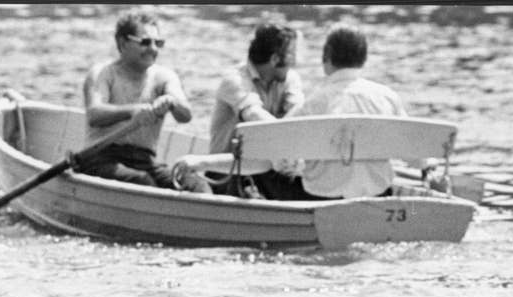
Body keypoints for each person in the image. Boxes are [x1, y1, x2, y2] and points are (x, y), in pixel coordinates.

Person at [174, 26, 408, 201]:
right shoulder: (388, 96)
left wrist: (293, 139)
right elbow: (258, 117)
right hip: (379, 194)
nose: (297, 62)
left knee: (274, 159)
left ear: (326, 57)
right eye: (293, 55)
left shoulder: (312, 97)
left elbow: (275, 140)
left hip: (318, 196)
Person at [75, 10, 212, 194]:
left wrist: (171, 101)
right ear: (122, 43)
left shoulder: (164, 77)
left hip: (144, 160)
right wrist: (133, 111)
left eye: (159, 43)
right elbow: (95, 114)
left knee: (196, 185)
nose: (153, 49)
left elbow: (185, 115)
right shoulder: (103, 73)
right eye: (145, 42)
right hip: (100, 157)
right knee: (141, 181)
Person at [205, 22, 304, 197]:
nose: (295, 62)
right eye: (291, 55)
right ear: (274, 59)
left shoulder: (289, 78)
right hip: (226, 169)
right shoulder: (234, 80)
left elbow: (300, 112)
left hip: (266, 168)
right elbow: (253, 114)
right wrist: (286, 142)